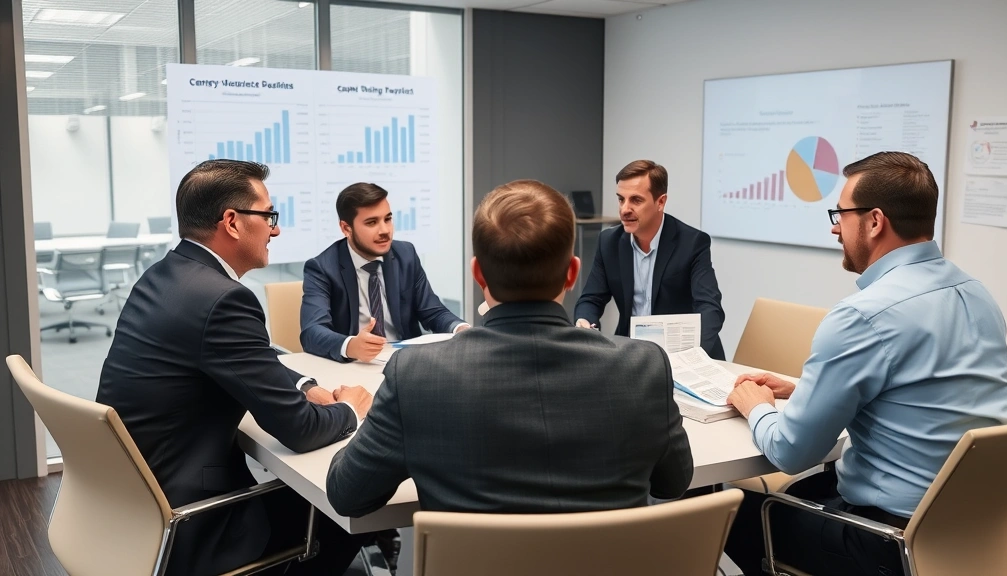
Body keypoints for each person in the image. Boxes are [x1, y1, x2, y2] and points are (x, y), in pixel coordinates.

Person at [326, 179, 693, 517]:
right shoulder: (644, 367)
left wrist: (360, 415)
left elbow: (347, 495)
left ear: (478, 274)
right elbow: (673, 483)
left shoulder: (415, 377)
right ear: (572, 273)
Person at [724, 152, 1007, 576]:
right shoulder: (977, 294)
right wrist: (801, 388)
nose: (834, 226)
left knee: (725, 505)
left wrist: (755, 405)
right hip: (974, 529)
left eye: (841, 214)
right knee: (809, 488)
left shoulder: (863, 316)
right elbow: (922, 391)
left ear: (875, 221)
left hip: (886, 542)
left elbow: (791, 450)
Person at [96, 160, 373, 576]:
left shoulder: (166, 275)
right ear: (232, 222)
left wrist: (305, 383)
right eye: (268, 216)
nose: (275, 230)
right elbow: (298, 430)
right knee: (355, 499)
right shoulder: (224, 299)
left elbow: (250, 356)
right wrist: (350, 409)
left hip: (139, 503)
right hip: (194, 521)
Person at [574, 160, 726, 359]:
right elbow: (591, 299)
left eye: (636, 200)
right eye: (621, 199)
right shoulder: (609, 242)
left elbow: (710, 308)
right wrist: (584, 322)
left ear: (660, 202)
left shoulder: (692, 243)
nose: (624, 209)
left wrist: (692, 356)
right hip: (633, 354)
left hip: (683, 354)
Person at [300, 182, 468, 363]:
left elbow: (433, 312)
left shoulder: (405, 255)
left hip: (405, 362)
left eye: (387, 219)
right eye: (372, 222)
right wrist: (351, 346)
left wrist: (461, 329)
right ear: (346, 228)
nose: (385, 230)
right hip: (354, 366)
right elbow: (312, 331)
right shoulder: (322, 268)